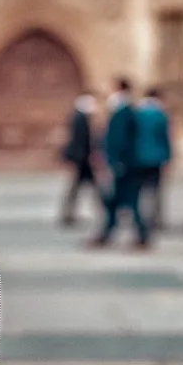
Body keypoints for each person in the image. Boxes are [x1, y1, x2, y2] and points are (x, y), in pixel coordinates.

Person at [89, 78, 150, 249]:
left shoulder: (123, 112)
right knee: (117, 201)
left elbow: (119, 139)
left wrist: (115, 161)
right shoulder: (123, 111)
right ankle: (108, 233)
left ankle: (140, 235)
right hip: (124, 164)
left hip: (125, 165)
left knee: (127, 200)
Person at [133, 88, 172, 231]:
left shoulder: (137, 113)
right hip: (156, 157)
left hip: (138, 157)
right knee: (155, 190)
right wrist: (168, 157)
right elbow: (165, 138)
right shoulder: (161, 115)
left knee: (139, 190)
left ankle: (138, 217)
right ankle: (154, 218)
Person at [58, 91, 99, 226]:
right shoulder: (80, 118)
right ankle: (68, 214)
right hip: (82, 159)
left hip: (82, 158)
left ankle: (68, 214)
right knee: (81, 187)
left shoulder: (79, 117)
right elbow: (81, 141)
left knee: (79, 188)